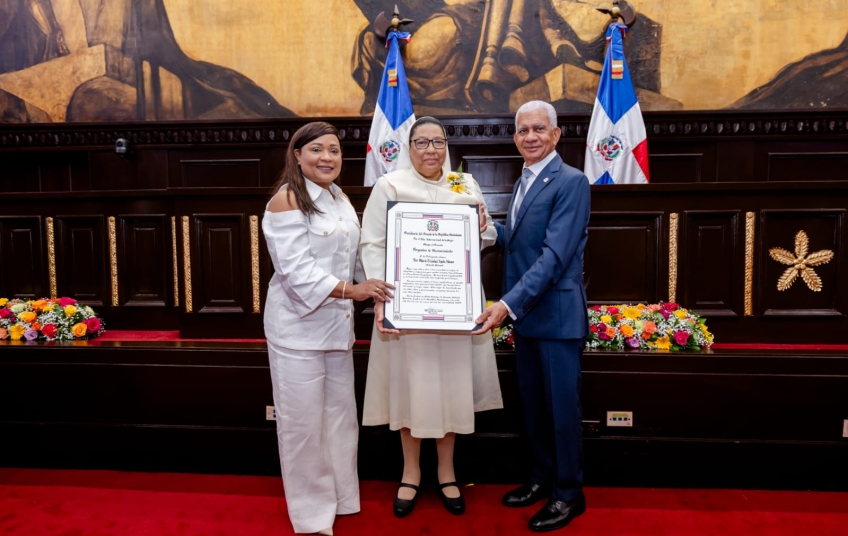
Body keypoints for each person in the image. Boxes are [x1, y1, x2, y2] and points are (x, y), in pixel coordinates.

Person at [359, 116, 504, 517]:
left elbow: (486, 236)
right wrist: (381, 294)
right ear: (409, 147)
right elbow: (371, 243)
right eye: (421, 142)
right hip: (409, 311)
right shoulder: (390, 186)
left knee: (451, 389)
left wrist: (483, 226)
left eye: (437, 142)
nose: (430, 150)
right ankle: (409, 473)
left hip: (455, 311)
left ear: (446, 146)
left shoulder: (463, 183)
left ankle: (446, 472)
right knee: (411, 388)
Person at [262, 121, 394, 535]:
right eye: (317, 150)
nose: (327, 158)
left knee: (339, 417)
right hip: (296, 330)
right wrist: (354, 291)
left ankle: (341, 498)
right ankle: (312, 517)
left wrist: (385, 291)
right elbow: (296, 273)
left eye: (334, 151)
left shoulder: (338, 197)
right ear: (297, 155)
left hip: (336, 329)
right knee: (302, 425)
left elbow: (352, 259)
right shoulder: (286, 200)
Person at [473, 100, 591, 532]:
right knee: (536, 409)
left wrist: (505, 305)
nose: (530, 137)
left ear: (556, 135)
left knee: (562, 412)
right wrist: (489, 229)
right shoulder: (525, 178)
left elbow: (555, 257)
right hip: (528, 318)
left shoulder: (571, 181)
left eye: (539, 129)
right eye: (523, 130)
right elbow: (520, 243)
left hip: (556, 318)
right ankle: (541, 479)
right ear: (515, 136)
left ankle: (568, 494)